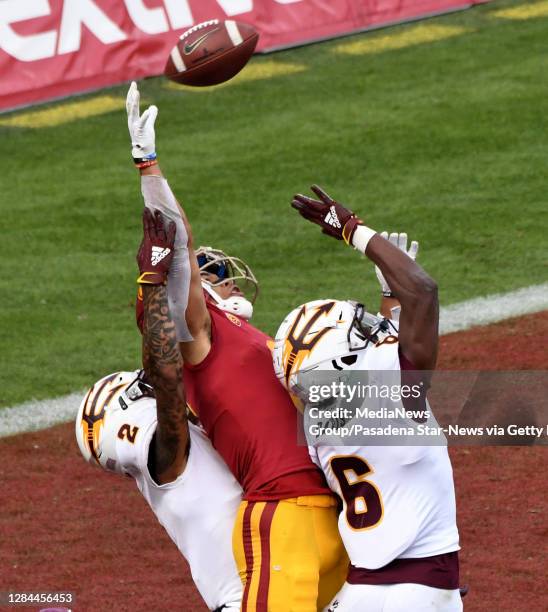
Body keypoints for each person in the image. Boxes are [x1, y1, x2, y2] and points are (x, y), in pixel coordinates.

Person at [126, 81, 348, 611]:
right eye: (215, 273)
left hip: (335, 516)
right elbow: (177, 253)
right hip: (281, 513)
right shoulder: (201, 339)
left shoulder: (256, 340)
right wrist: (149, 168)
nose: (225, 276)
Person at [272, 186, 462, 611]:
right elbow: (425, 292)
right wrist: (352, 229)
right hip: (414, 590)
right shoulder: (392, 393)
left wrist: (392, 300)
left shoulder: (318, 423)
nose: (370, 327)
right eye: (357, 331)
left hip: (371, 591)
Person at [76, 209, 243, 611]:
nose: (148, 380)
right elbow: (167, 374)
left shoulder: (187, 446)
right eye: (140, 386)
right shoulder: (168, 462)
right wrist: (150, 280)